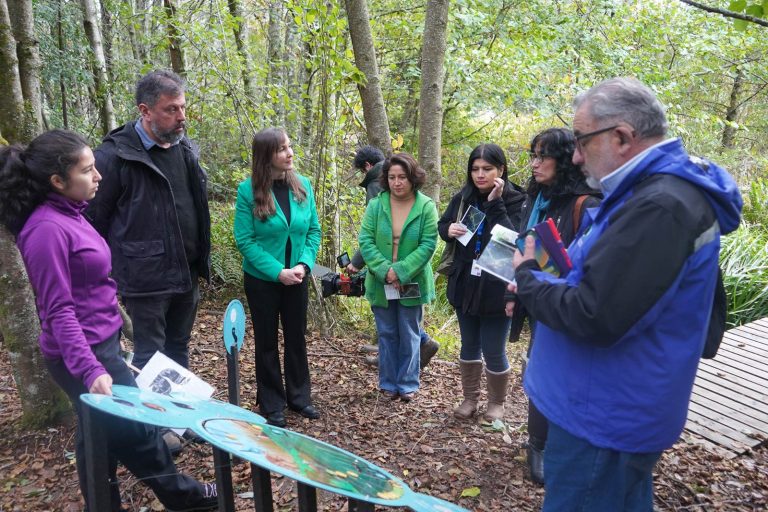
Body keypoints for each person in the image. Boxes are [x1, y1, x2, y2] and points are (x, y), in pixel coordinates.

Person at [509, 78, 742, 510]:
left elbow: (594, 314)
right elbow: (611, 284)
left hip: (602, 418)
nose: (575, 156)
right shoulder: (642, 194)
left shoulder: (660, 206)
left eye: (581, 140)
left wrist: (528, 279)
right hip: (600, 406)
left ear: (621, 137)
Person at [0, 129, 217, 512]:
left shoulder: (71, 214)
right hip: (82, 353)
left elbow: (90, 288)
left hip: (99, 345)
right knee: (133, 432)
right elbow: (58, 310)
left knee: (98, 435)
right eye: (87, 170)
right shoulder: (46, 231)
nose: (98, 175)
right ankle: (187, 498)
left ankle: (111, 504)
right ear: (57, 181)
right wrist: (89, 368)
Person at [507, 128, 601, 484]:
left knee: (562, 373)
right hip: (537, 299)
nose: (534, 164)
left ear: (564, 160)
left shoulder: (584, 203)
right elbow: (522, 248)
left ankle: (555, 444)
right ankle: (539, 445)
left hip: (567, 305)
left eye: (542, 156)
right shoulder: (537, 199)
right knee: (540, 370)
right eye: (533, 155)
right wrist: (514, 295)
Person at [234, 128, 321, 428]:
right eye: (282, 148)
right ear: (266, 156)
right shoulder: (248, 191)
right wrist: (277, 271)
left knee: (296, 337)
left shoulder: (304, 186)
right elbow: (245, 240)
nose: (290, 152)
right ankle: (271, 402)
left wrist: (303, 265)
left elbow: (313, 232)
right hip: (262, 280)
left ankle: (300, 397)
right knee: (267, 341)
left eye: (290, 145)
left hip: (297, 276)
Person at [437, 144, 525, 423]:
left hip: (497, 286)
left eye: (487, 169)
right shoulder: (464, 198)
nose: (480, 175)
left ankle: (497, 402)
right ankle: (470, 397)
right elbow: (443, 225)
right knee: (468, 344)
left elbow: (514, 240)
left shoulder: (519, 200)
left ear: (501, 170)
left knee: (494, 347)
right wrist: (447, 231)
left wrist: (496, 203)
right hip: (466, 284)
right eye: (475, 169)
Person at [348, 145, 441, 369]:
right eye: (392, 178)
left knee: (404, 326)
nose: (396, 182)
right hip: (385, 275)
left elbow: (425, 243)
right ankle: (391, 376)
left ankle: (412, 365)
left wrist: (394, 270)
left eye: (402, 177)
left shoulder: (377, 184)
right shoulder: (382, 190)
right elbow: (369, 238)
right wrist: (386, 270)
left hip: (408, 276)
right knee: (391, 326)